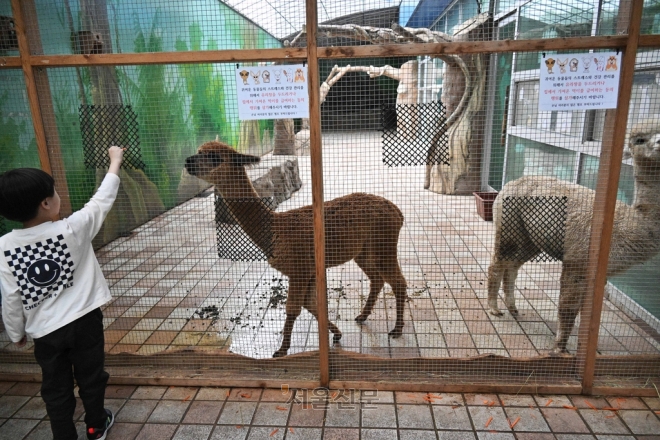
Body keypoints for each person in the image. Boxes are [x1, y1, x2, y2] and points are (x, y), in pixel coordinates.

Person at [0, 146, 124, 440]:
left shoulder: (4, 247)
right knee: (91, 376)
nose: (59, 196)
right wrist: (115, 161)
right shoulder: (72, 229)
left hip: (45, 332)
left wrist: (15, 333)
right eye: (55, 192)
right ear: (45, 203)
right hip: (85, 322)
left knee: (55, 387)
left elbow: (10, 298)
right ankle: (95, 426)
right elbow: (101, 200)